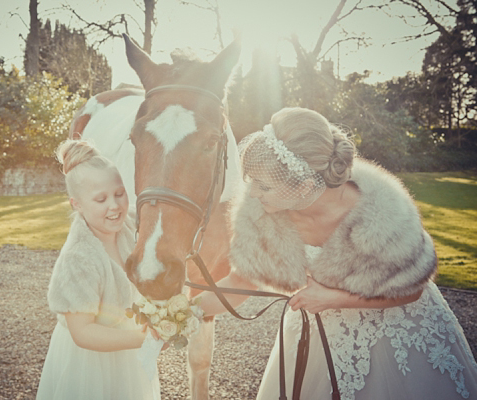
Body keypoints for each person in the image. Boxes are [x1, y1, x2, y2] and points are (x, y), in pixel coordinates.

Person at [198, 107, 477, 399]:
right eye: (252, 181)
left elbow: (412, 289)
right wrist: (181, 314)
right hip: (317, 336)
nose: (253, 193)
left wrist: (332, 299)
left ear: (303, 186)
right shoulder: (264, 213)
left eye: (264, 185)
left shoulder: (384, 213)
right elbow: (241, 282)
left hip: (398, 331)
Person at [36, 139, 161, 400]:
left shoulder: (129, 227)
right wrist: (145, 338)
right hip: (89, 363)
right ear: (77, 205)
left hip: (126, 352)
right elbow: (83, 333)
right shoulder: (79, 257)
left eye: (119, 193)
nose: (114, 206)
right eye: (100, 199)